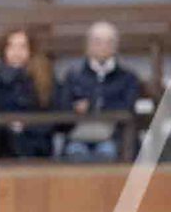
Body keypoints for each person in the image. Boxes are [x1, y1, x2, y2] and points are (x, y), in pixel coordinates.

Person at [55, 21, 143, 160]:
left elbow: (127, 108)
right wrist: (75, 109)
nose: (103, 46)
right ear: (88, 45)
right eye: (97, 41)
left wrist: (95, 105)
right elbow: (63, 108)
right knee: (76, 152)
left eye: (109, 42)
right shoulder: (73, 76)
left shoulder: (128, 78)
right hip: (79, 136)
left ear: (115, 46)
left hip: (114, 137)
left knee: (107, 151)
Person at [0, 28, 54, 159]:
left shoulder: (43, 77)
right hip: (0, 143)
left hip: (36, 142)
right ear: (4, 50)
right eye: (11, 46)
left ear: (31, 50)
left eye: (22, 46)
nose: (16, 52)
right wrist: (7, 124)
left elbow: (51, 115)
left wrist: (26, 126)